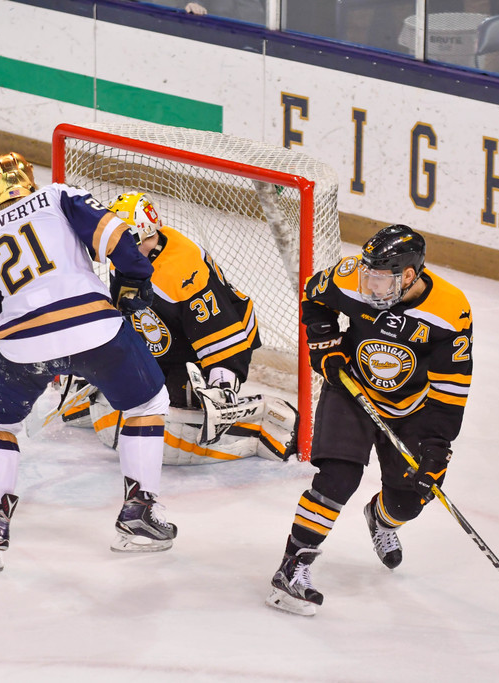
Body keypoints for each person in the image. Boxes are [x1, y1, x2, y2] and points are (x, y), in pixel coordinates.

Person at [0, 153, 176, 572]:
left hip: (19, 346)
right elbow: (117, 238)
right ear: (29, 181)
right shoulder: (57, 195)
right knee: (147, 403)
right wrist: (134, 279)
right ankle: (138, 516)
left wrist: (35, 352)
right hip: (94, 329)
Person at [266, 224, 473, 616]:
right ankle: (291, 570)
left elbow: (452, 389)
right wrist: (325, 346)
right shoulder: (351, 277)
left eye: (380, 280)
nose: (369, 286)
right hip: (352, 389)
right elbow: (314, 296)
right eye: (368, 275)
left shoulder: (450, 310)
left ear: (409, 276)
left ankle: (380, 519)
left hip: (411, 409)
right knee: (337, 479)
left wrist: (436, 447)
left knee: (408, 503)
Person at [59, 191, 297, 464]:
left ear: (145, 236)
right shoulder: (126, 257)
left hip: (220, 340)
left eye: (122, 243)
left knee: (174, 406)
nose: (116, 251)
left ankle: (255, 430)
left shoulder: (182, 270)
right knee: (133, 390)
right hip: (167, 339)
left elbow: (222, 333)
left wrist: (221, 388)